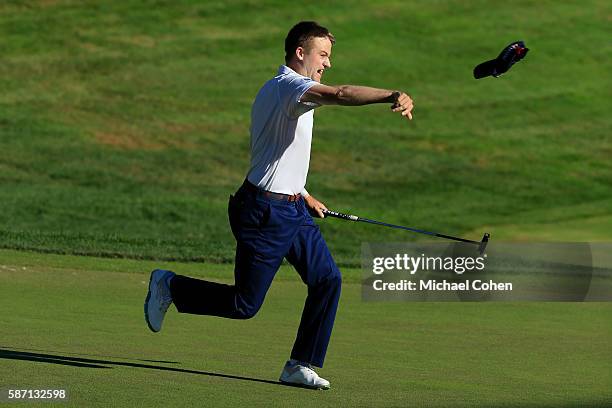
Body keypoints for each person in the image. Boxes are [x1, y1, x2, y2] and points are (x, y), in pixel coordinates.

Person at [144, 21, 414, 390]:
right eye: (323, 55)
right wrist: (391, 94)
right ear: (300, 54)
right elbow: (341, 93)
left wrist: (303, 193)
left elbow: (275, 156)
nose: (328, 64)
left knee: (327, 279)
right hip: (264, 213)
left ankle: (299, 365)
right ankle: (171, 286)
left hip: (290, 207)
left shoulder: (285, 91)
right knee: (244, 305)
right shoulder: (291, 88)